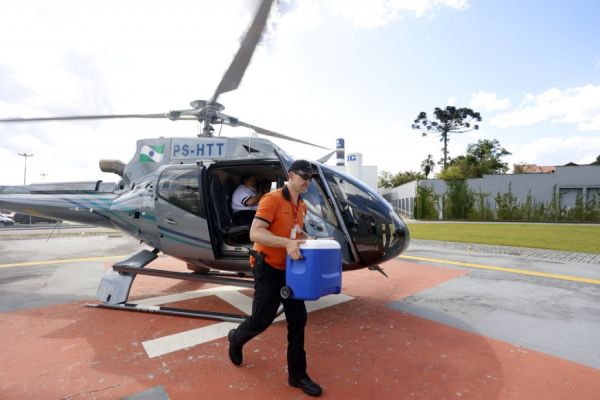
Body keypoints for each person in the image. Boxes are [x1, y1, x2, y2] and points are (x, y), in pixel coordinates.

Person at [227, 160, 323, 397]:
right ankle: (236, 338)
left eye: (310, 178)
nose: (307, 182)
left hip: (291, 270)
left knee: (298, 320)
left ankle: (297, 375)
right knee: (261, 320)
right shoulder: (271, 199)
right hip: (268, 267)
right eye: (304, 176)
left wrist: (309, 239)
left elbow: (294, 232)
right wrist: (286, 243)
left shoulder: (302, 206)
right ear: (291, 175)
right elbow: (255, 233)